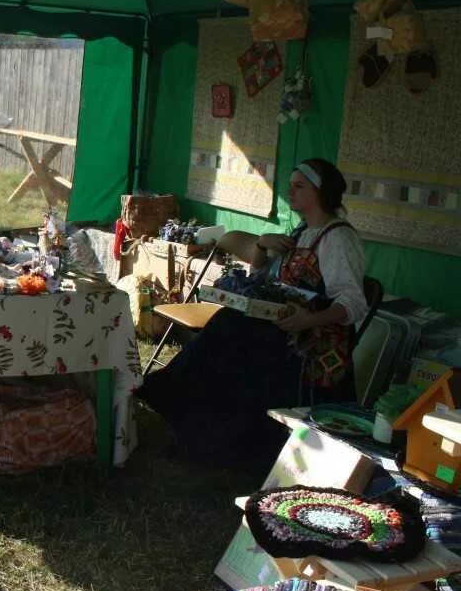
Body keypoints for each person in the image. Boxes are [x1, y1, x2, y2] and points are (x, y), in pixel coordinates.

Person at [136, 158, 368, 469]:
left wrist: (307, 319)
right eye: (291, 185)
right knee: (227, 325)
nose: (291, 192)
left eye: (299, 186)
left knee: (229, 336)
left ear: (320, 192)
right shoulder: (301, 233)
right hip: (282, 329)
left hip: (313, 343)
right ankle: (185, 414)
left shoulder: (338, 238)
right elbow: (264, 281)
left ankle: (181, 406)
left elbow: (353, 303)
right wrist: (262, 247)